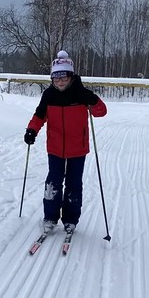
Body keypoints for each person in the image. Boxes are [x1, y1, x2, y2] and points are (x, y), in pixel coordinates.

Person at [23, 51, 107, 234]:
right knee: (53, 183)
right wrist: (32, 130)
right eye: (56, 78)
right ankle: (50, 217)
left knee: (73, 184)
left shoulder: (81, 94)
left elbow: (101, 112)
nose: (60, 82)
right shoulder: (49, 95)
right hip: (55, 148)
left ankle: (70, 219)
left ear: (71, 76)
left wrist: (92, 100)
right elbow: (39, 116)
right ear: (52, 79)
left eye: (64, 77)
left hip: (78, 149)